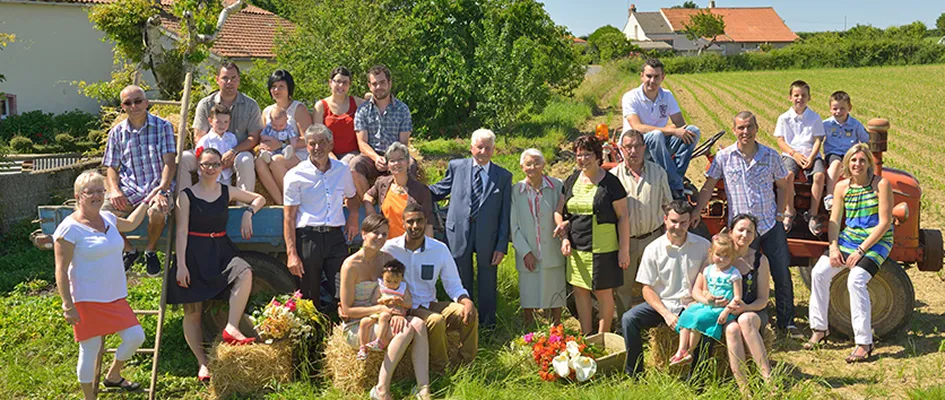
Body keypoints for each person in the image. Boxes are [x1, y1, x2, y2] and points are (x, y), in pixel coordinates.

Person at [691, 111, 801, 339]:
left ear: (756, 128)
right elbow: (709, 185)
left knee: (781, 272)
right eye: (741, 128)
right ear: (734, 130)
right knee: (736, 273)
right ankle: (738, 316)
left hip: (769, 224)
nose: (745, 132)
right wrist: (696, 211)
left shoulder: (771, 156)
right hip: (740, 231)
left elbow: (783, 186)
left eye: (749, 127)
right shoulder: (724, 157)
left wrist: (781, 213)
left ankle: (786, 322)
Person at [167, 148, 266, 381]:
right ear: (198, 168)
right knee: (193, 312)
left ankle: (231, 327)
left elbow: (257, 198)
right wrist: (181, 265)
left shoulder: (226, 190)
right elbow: (181, 233)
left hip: (221, 250)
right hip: (194, 254)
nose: (210, 169)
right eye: (205, 165)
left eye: (214, 165)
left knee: (245, 271)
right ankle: (203, 363)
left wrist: (248, 213)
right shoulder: (186, 195)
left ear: (222, 168)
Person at [54, 170, 149, 399]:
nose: (97, 196)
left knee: (136, 337)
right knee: (90, 350)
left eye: (100, 191)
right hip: (87, 299)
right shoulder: (69, 229)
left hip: (115, 295)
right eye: (90, 192)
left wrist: (148, 200)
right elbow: (60, 269)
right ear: (78, 196)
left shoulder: (108, 218)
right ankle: (90, 397)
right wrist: (68, 305)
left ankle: (113, 375)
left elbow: (132, 223)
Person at [806, 143, 893, 363]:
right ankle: (819, 329)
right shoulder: (842, 187)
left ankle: (864, 342)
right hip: (848, 239)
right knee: (818, 273)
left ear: (869, 164)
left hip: (876, 241)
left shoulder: (881, 184)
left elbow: (885, 223)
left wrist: (861, 250)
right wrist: (833, 246)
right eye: (853, 160)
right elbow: (834, 221)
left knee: (855, 280)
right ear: (847, 163)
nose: (857, 164)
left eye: (862, 160)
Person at [339, 214, 430, 400]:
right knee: (404, 331)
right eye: (375, 233)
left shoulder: (387, 259)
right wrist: (380, 310)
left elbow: (400, 293)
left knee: (419, 324)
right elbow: (347, 310)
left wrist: (399, 312)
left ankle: (423, 388)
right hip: (360, 323)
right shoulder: (350, 266)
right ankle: (381, 389)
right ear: (363, 234)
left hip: (386, 316)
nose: (380, 238)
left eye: (384, 234)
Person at [429, 128, 512, 327]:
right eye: (479, 147)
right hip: (458, 233)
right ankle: (463, 322)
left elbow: (505, 214)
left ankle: (487, 324)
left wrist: (501, 246)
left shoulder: (503, 176)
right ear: (471, 148)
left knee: (487, 279)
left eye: (488, 148)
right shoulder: (457, 167)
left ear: (494, 150)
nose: (483, 152)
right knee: (460, 277)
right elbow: (440, 190)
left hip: (488, 236)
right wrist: (414, 189)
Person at [382, 203, 478, 373]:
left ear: (426, 221)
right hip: (406, 308)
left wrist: (467, 301)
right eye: (410, 222)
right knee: (436, 320)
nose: (415, 226)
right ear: (403, 223)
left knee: (468, 312)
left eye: (419, 221)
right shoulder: (390, 249)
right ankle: (439, 370)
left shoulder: (439, 249)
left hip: (430, 303)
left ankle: (465, 364)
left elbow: (453, 284)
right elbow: (378, 282)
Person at [621, 200, 711, 377]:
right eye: (674, 221)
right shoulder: (653, 249)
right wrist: (666, 314)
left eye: (683, 222)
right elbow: (646, 289)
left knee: (707, 325)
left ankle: (698, 377)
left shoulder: (703, 246)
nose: (678, 226)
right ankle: (634, 374)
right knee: (628, 319)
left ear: (690, 221)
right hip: (665, 305)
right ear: (665, 220)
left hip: (694, 305)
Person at [558, 135, 630, 335]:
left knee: (603, 293)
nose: (583, 159)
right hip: (577, 248)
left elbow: (623, 217)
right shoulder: (571, 180)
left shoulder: (611, 183)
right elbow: (560, 212)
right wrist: (564, 235)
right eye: (579, 155)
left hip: (603, 248)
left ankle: (602, 337)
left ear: (598, 156)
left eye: (587, 154)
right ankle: (586, 335)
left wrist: (623, 250)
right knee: (580, 292)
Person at [102, 85, 176, 276]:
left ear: (146, 102)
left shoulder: (163, 126)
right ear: (123, 106)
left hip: (157, 187)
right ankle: (129, 249)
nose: (134, 106)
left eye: (138, 101)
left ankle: (150, 251)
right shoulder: (116, 133)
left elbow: (169, 163)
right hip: (130, 188)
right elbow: (111, 167)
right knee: (100, 215)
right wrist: (114, 190)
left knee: (158, 213)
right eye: (128, 102)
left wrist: (163, 190)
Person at [283, 124, 359, 310]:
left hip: (335, 237)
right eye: (312, 144)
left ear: (330, 143)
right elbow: (289, 218)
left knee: (344, 290)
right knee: (309, 297)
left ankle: (342, 333)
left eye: (322, 142)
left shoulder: (342, 170)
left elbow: (352, 197)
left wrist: (354, 216)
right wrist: (292, 253)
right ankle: (313, 336)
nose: (317, 148)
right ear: (307, 146)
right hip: (309, 239)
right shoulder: (295, 175)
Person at [609, 129, 673, 320]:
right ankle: (624, 326)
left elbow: (667, 206)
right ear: (621, 149)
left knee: (656, 284)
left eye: (637, 146)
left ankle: (656, 322)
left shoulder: (658, 172)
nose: (633, 150)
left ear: (644, 148)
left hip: (653, 239)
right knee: (623, 288)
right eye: (628, 147)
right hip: (625, 242)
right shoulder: (613, 177)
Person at [621, 58, 701, 199]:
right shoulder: (631, 97)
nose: (652, 80)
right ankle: (675, 184)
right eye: (649, 76)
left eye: (656, 76)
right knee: (656, 135)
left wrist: (676, 130)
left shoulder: (667, 96)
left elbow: (680, 124)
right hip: (636, 147)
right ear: (641, 76)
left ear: (663, 77)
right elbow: (637, 127)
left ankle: (676, 176)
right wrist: (671, 130)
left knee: (692, 131)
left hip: (659, 145)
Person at [181, 61, 263, 194]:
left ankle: (244, 208)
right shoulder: (205, 104)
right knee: (183, 159)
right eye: (225, 78)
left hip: (237, 153)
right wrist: (213, 159)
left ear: (238, 80)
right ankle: (184, 203)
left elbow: (254, 137)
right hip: (207, 153)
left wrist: (233, 152)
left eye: (233, 78)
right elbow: (199, 136)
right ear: (217, 80)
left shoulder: (251, 105)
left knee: (246, 160)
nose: (229, 82)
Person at [714, 214, 772, 393]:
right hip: (726, 312)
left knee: (745, 320)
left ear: (754, 236)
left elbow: (763, 299)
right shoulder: (720, 256)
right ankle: (744, 389)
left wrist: (746, 307)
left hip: (752, 310)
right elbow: (703, 283)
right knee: (732, 329)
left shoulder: (760, 260)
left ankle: (768, 380)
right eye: (740, 230)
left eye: (749, 231)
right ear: (731, 232)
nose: (744, 235)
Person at [510, 148, 567, 326]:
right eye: (528, 163)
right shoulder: (515, 190)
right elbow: (513, 226)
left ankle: (557, 327)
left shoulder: (557, 185)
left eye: (537, 163)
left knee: (555, 288)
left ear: (544, 165)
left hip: (552, 247)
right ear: (521, 166)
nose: (532, 167)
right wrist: (525, 252)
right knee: (529, 289)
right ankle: (529, 328)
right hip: (528, 247)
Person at [672, 231, 742, 366]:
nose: (721, 259)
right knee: (686, 314)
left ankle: (690, 352)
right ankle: (681, 350)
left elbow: (737, 297)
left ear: (732, 256)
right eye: (718, 255)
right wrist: (707, 295)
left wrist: (726, 311)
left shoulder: (734, 273)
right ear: (711, 252)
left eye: (726, 256)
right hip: (709, 305)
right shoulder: (709, 270)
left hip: (721, 309)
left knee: (698, 320)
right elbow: (704, 290)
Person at [351, 65, 415, 201]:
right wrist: (375, 158)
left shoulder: (402, 109)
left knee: (411, 164)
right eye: (374, 84)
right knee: (354, 165)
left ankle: (404, 203)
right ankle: (369, 204)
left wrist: (393, 159)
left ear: (389, 83)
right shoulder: (362, 110)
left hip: (395, 153)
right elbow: (362, 143)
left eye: (382, 82)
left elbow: (403, 143)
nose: (379, 87)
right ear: (369, 86)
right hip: (372, 156)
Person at [774, 80, 827, 235]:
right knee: (788, 175)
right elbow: (780, 141)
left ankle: (812, 213)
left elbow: (818, 139)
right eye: (796, 95)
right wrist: (794, 154)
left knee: (819, 176)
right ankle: (789, 211)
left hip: (811, 153)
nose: (800, 98)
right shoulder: (784, 118)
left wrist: (811, 157)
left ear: (809, 98)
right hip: (791, 154)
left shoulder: (815, 117)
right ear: (790, 97)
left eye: (803, 95)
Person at [258, 70, 312, 204]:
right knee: (259, 161)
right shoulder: (267, 111)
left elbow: (308, 139)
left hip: (297, 153)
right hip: (275, 152)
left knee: (277, 161)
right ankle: (280, 202)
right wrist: (264, 145)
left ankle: (292, 201)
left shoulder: (298, 109)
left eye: (281, 86)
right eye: (273, 87)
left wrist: (282, 144)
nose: (276, 90)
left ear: (289, 88)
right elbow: (265, 135)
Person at [363, 142, 434, 239]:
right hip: (386, 245)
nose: (396, 163)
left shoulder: (421, 190)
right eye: (392, 160)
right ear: (388, 165)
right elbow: (367, 196)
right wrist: (371, 214)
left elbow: (428, 223)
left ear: (408, 162)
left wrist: (427, 250)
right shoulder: (382, 183)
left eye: (401, 159)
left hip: (410, 246)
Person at [822, 91, 869, 212]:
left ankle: (859, 195)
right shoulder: (826, 124)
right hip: (833, 153)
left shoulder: (855, 124)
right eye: (835, 108)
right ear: (830, 109)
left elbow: (866, 140)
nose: (838, 112)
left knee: (858, 166)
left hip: (850, 153)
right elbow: (816, 140)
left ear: (850, 108)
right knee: (836, 164)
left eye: (842, 108)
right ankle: (829, 196)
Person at [356, 259, 410, 360]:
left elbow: (409, 303)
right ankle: (362, 348)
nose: (392, 284)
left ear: (401, 279)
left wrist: (400, 302)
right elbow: (374, 301)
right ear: (382, 276)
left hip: (394, 313)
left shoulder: (403, 289)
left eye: (395, 282)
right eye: (388, 281)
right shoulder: (381, 287)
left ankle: (379, 340)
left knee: (384, 316)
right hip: (380, 311)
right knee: (364, 322)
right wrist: (383, 300)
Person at [313, 66, 365, 164]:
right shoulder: (321, 106)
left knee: (344, 166)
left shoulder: (357, 103)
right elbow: (318, 137)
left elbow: (375, 102)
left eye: (345, 82)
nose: (341, 85)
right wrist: (330, 155)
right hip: (326, 153)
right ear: (330, 83)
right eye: (337, 81)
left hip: (352, 154)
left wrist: (369, 95)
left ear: (349, 85)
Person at [194, 104, 239, 184]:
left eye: (226, 122)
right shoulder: (205, 140)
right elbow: (199, 158)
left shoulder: (232, 138)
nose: (222, 125)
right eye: (218, 122)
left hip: (226, 176)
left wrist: (230, 162)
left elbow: (235, 154)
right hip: (209, 177)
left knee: (224, 194)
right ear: (210, 121)